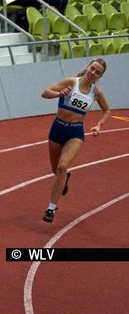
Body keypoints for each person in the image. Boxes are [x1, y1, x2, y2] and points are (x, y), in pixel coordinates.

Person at [41, 58, 110, 223]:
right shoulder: (72, 82)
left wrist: (99, 125)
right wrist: (59, 93)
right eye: (92, 68)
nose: (92, 73)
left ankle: (51, 208)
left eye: (97, 72)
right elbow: (45, 93)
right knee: (56, 171)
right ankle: (64, 179)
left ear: (99, 76)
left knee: (62, 166)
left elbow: (107, 110)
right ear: (87, 67)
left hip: (75, 132)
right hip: (57, 129)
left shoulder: (96, 92)